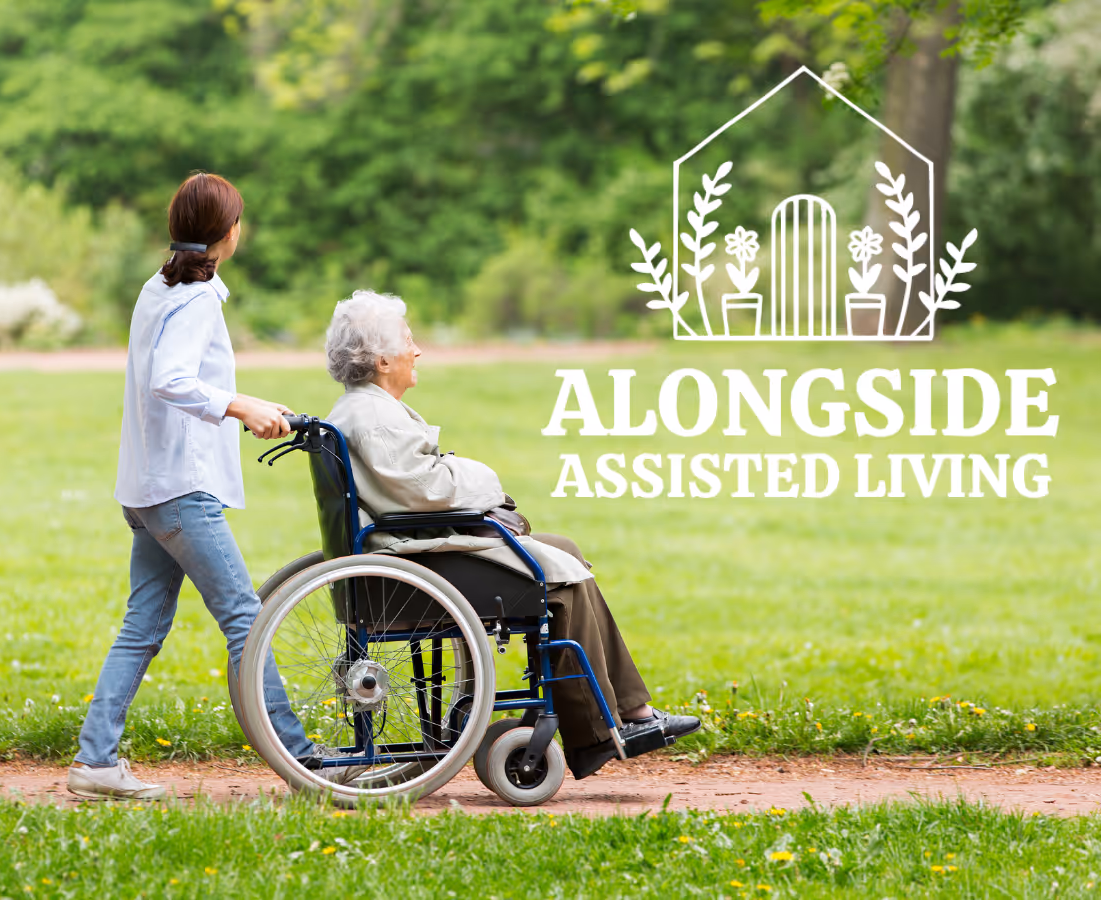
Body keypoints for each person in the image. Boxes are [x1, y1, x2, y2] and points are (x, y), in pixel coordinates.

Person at [322, 290, 700, 780]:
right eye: (409, 341)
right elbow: (425, 489)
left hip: (411, 551)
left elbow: (415, 486)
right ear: (382, 359)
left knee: (564, 551)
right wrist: (486, 479)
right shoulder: (372, 419)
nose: (418, 351)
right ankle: (605, 729)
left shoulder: (362, 411)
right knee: (559, 577)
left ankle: (627, 712)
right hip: (416, 563)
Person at [68, 173, 321, 800]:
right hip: (179, 491)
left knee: (143, 624)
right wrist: (239, 405)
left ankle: (95, 761)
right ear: (229, 232)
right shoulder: (197, 299)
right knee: (247, 620)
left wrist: (243, 404)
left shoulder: (158, 288)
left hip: (148, 488)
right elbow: (170, 380)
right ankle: (306, 760)